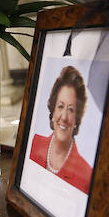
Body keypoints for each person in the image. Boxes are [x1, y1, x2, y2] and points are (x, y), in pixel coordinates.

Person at [29, 66, 93, 194]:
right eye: (60, 106)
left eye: (71, 109)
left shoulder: (86, 175)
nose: (64, 117)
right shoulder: (33, 145)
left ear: (77, 118)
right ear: (52, 111)